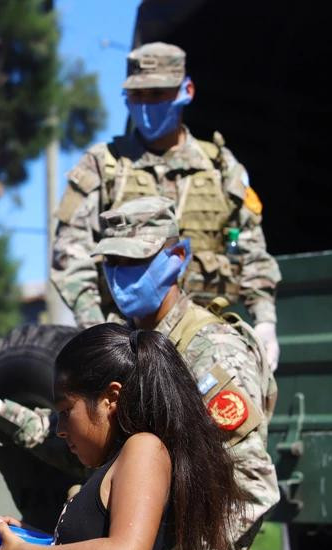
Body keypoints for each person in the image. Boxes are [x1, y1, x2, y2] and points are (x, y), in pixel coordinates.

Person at [0, 196, 279, 550]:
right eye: (112, 262)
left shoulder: (212, 349)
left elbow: (250, 486)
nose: (120, 275)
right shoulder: (120, 344)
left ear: (177, 257)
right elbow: (84, 431)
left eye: (135, 261)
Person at [52, 41, 282, 371]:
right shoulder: (103, 166)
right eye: (138, 96)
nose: (147, 105)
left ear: (185, 90)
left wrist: (265, 321)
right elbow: (69, 256)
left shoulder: (220, 166)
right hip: (131, 345)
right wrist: (98, 330)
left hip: (206, 342)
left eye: (158, 93)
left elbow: (250, 251)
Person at [0, 324, 244, 550]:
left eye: (66, 411)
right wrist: (28, 538)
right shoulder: (115, 461)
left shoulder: (144, 449)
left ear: (111, 398)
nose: (60, 430)